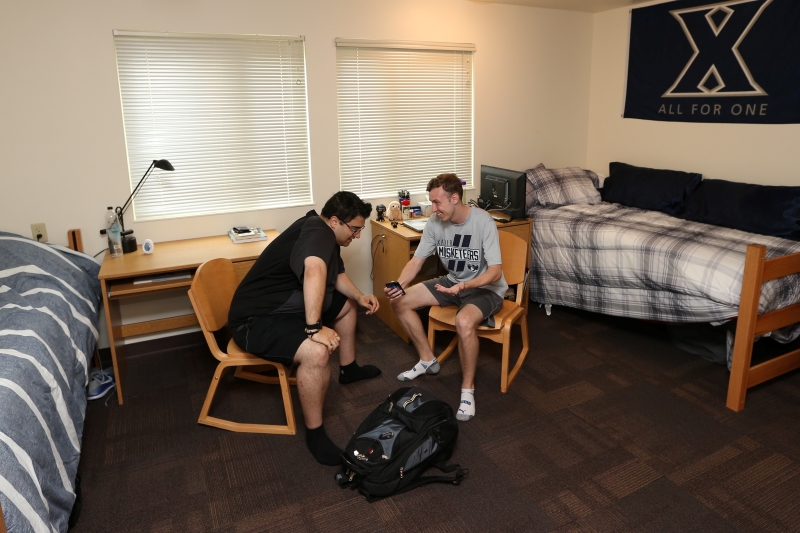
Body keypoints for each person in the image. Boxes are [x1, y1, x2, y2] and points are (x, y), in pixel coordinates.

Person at [229, 191, 382, 465]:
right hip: (256, 320)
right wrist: (314, 329)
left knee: (347, 305)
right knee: (317, 353)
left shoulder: (324, 231)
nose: (357, 235)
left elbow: (336, 275)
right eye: (355, 229)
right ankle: (315, 433)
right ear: (335, 221)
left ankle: (348, 369)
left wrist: (359, 296)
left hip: (284, 307)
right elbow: (314, 272)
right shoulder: (317, 233)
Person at [384, 174, 507, 422]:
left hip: (485, 288)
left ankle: (467, 390)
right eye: (431, 202)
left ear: (455, 198)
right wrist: (400, 284)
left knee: (463, 322)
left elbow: (495, 271)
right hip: (452, 282)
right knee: (399, 300)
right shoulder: (434, 222)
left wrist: (465, 286)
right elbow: (417, 261)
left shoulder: (482, 221)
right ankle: (428, 359)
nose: (434, 208)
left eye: (438, 203)